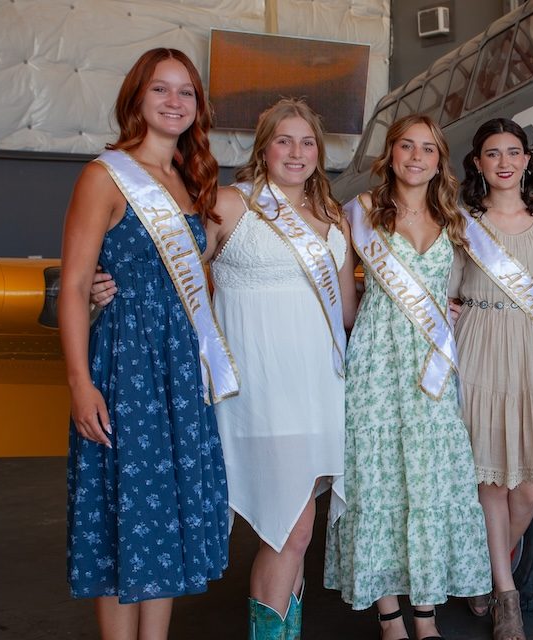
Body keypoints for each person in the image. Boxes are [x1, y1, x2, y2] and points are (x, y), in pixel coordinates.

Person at [89, 98, 358, 638]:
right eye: (284, 140)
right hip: (255, 393)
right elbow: (172, 269)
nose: (297, 152)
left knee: (298, 533)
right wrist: (104, 285)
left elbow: (348, 311)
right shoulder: (231, 205)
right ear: (264, 148)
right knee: (286, 529)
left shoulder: (333, 217)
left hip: (320, 393)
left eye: (307, 142)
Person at [60, 48, 230, 639]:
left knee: (165, 511)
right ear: (138, 97)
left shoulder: (192, 179)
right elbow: (76, 284)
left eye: (186, 92)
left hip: (180, 365)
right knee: (121, 509)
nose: (175, 102)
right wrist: (81, 385)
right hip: (125, 363)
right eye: (161, 90)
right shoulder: (104, 175)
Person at [324, 114, 491, 640]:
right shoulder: (358, 213)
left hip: (433, 364)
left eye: (428, 149)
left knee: (431, 477)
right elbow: (340, 296)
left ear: (439, 159)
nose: (417, 157)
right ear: (390, 154)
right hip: (377, 361)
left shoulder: (454, 217)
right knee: (378, 480)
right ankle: (390, 614)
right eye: (406, 147)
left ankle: (426, 612)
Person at [448, 118, 533, 640]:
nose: (503, 162)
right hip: (478, 343)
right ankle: (504, 593)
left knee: (531, 486)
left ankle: (479, 563)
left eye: (513, 152)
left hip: (530, 348)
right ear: (477, 163)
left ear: (527, 158)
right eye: (492, 153)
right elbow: (444, 284)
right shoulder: (461, 219)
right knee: (489, 480)